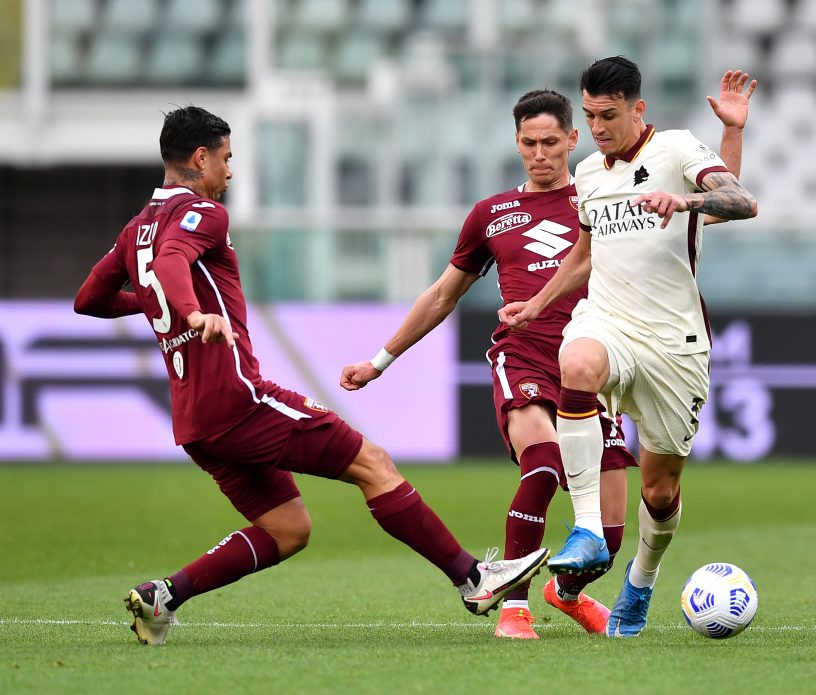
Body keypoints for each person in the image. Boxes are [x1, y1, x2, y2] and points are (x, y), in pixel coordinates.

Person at [73, 106, 548, 646]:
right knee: (373, 463)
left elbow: (89, 298)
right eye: (227, 159)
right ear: (200, 158)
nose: (230, 172)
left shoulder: (136, 229)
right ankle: (474, 579)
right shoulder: (202, 214)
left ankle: (164, 595)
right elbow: (175, 260)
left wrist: (155, 301)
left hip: (194, 421)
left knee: (289, 529)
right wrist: (190, 311)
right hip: (239, 400)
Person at [342, 70, 755, 639]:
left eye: (551, 141)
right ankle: (513, 606)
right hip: (537, 355)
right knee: (542, 460)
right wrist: (380, 361)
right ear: (516, 143)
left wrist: (725, 143)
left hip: (641, 349)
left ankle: (568, 590)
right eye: (528, 143)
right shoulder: (491, 214)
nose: (539, 154)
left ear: (571, 141)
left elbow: (718, 205)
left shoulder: (609, 179)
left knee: (618, 532)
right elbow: (442, 294)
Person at [499, 57, 758, 638]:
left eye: (608, 115)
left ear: (637, 109)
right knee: (577, 361)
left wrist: (692, 191)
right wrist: (536, 306)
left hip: (675, 343)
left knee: (660, 490)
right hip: (609, 321)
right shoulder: (589, 174)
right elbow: (585, 257)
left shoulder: (676, 149)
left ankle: (641, 579)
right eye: (589, 115)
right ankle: (587, 527)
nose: (596, 127)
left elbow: (742, 202)